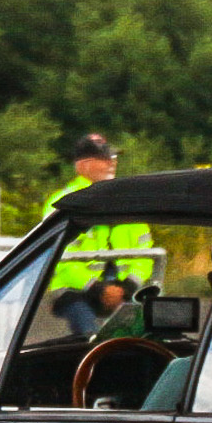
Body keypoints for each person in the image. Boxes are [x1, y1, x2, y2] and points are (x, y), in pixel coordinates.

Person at [44, 134, 154, 337]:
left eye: (113, 157)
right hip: (75, 289)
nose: (112, 163)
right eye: (105, 158)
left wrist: (129, 285)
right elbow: (61, 260)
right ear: (84, 165)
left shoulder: (129, 202)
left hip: (124, 288)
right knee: (90, 337)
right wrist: (98, 288)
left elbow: (145, 254)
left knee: (152, 333)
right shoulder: (62, 203)